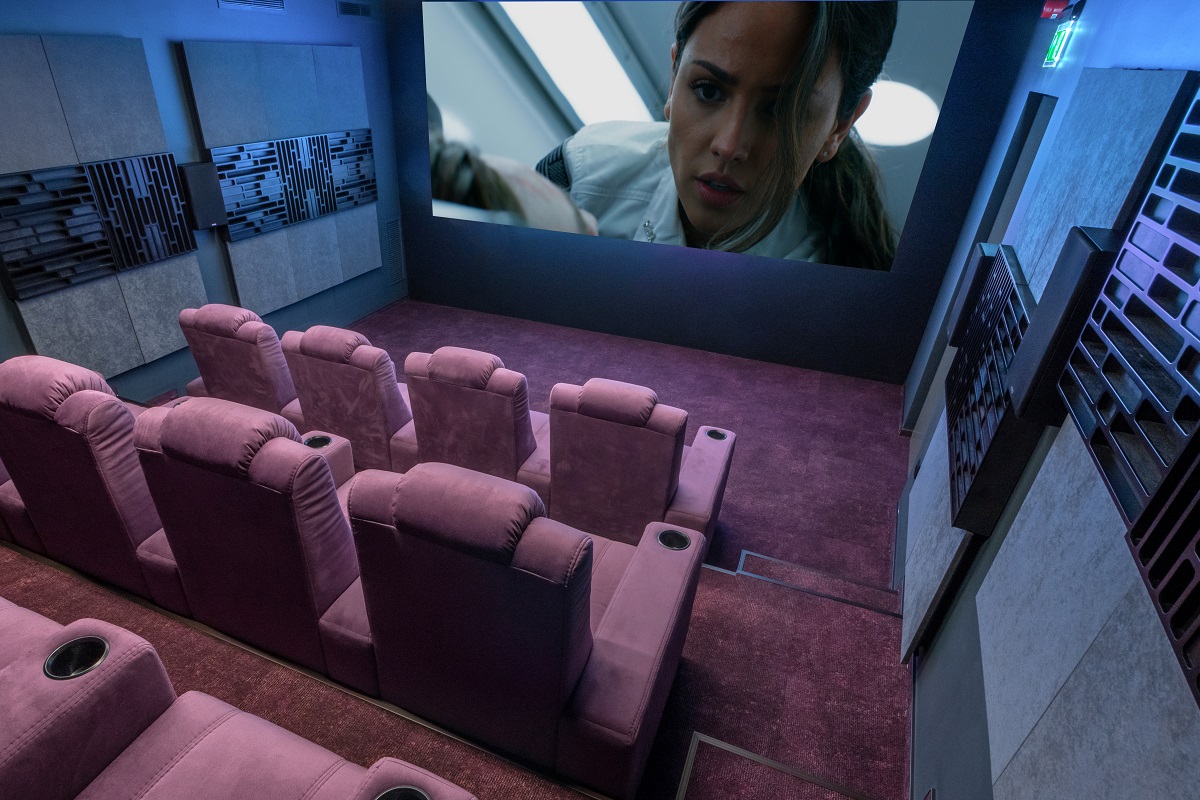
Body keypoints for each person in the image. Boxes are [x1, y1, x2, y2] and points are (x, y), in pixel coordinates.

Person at [536, 1, 899, 269]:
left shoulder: (845, 303)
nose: (729, 146)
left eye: (780, 112)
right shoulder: (582, 178)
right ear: (674, 76)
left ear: (839, 126)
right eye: (708, 90)